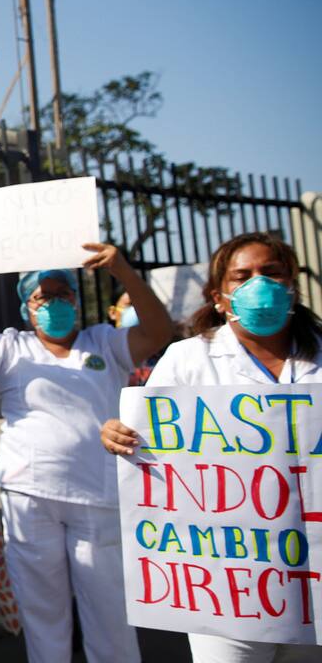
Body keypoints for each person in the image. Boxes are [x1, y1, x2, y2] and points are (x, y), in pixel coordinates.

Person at [0, 244, 173, 663]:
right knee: (43, 611)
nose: (54, 302)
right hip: (29, 496)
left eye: (63, 293)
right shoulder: (10, 348)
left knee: (109, 609)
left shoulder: (104, 342)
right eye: (43, 296)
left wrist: (124, 271)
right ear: (28, 306)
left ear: (76, 301)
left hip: (97, 497)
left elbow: (158, 333)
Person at [101, 231, 322, 663]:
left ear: (292, 284)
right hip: (225, 587)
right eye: (243, 276)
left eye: (271, 272)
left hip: (312, 578)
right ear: (220, 297)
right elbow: (148, 439)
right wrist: (118, 435)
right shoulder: (188, 359)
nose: (259, 284)